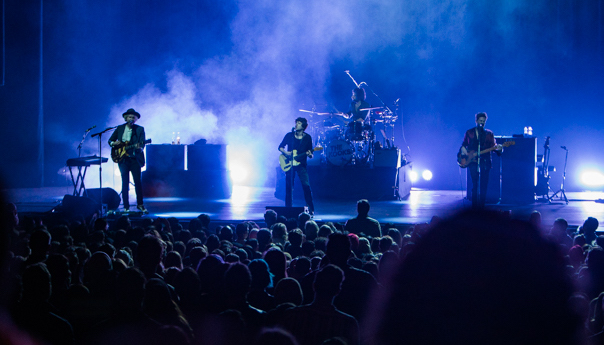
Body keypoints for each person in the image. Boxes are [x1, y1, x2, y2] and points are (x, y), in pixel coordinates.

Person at [108, 108, 148, 214]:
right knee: (124, 182)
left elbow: (142, 143)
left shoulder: (139, 129)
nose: (132, 119)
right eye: (130, 117)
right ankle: (126, 206)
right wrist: (113, 144)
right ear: (126, 118)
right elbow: (110, 140)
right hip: (123, 159)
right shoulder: (120, 128)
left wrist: (140, 148)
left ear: (136, 119)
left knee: (137, 182)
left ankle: (140, 205)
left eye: (133, 117)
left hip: (135, 159)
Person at [460, 112, 502, 208]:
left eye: (483, 121)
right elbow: (464, 144)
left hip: (485, 162)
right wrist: (463, 148)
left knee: (484, 184)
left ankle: (482, 206)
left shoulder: (489, 134)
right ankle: (474, 207)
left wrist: (499, 149)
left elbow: (494, 147)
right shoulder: (469, 132)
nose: (482, 123)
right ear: (476, 121)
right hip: (473, 161)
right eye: (480, 121)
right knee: (475, 184)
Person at [279, 117, 315, 216]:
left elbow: (311, 154)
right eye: (296, 123)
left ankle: (311, 209)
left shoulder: (307, 138)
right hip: (290, 165)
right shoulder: (289, 135)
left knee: (306, 186)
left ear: (303, 126)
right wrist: (286, 152)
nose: (296, 125)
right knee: (289, 187)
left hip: (301, 165)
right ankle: (288, 208)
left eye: (299, 123)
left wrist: (309, 154)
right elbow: (280, 147)